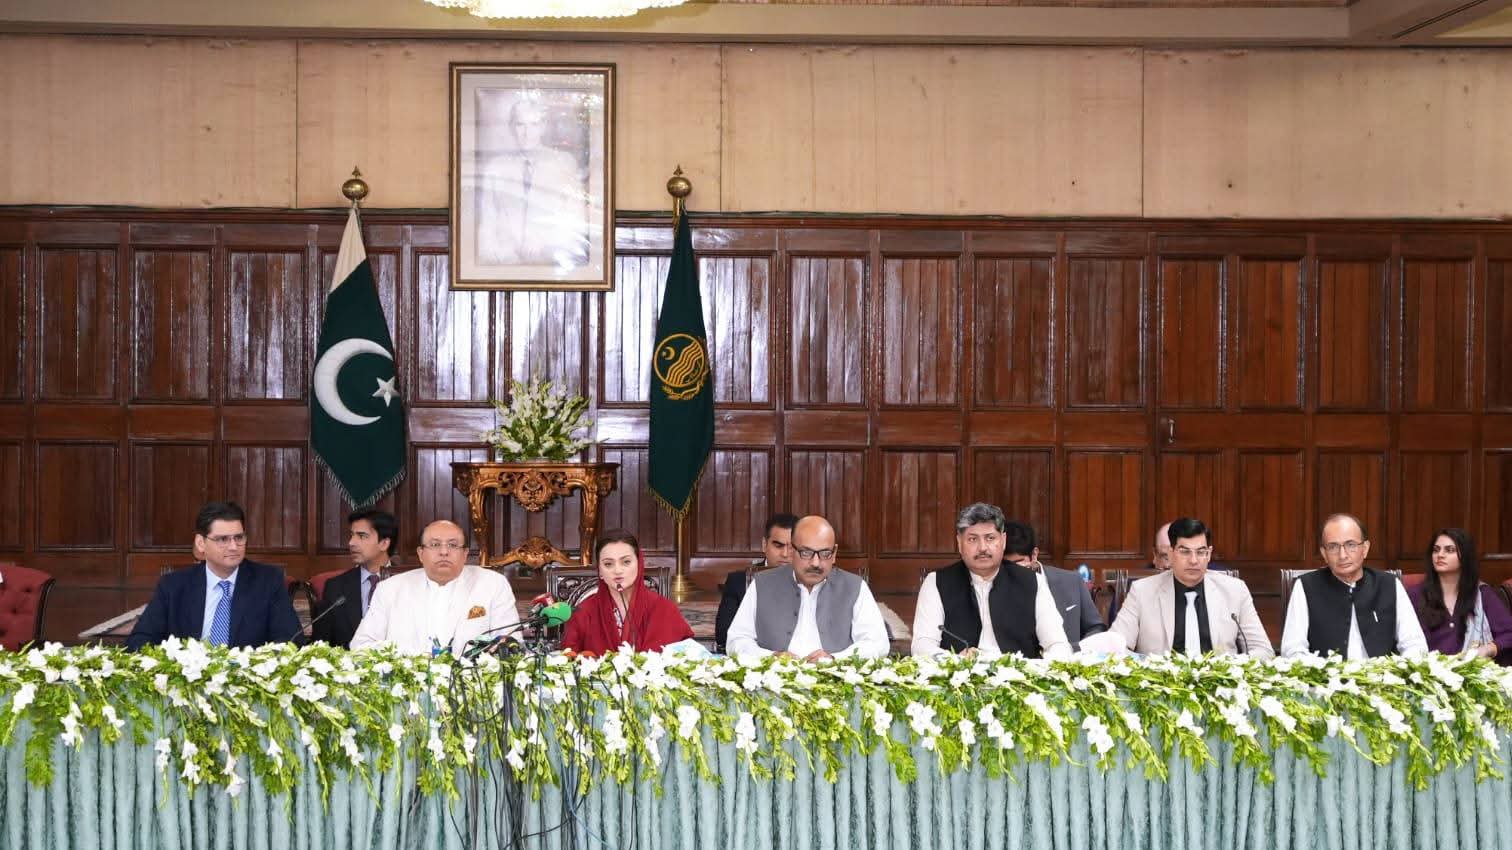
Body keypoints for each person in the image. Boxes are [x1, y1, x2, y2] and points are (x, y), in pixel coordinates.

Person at [127, 501, 302, 650]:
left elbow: (291, 641)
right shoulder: (173, 586)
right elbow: (140, 640)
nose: (233, 547)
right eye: (223, 539)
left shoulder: (268, 581)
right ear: (201, 543)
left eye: (239, 538)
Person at [911, 503, 1071, 659]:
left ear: (1003, 540)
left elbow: (1057, 643)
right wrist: (955, 661)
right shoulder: (936, 583)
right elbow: (922, 645)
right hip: (958, 674)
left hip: (1019, 674)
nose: (982, 548)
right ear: (959, 543)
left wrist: (1043, 668)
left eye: (990, 538)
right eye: (972, 539)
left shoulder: (1032, 582)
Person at [725, 515, 889, 660]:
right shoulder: (762, 584)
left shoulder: (854, 586)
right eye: (806, 553)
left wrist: (835, 659)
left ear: (834, 553)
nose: (815, 563)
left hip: (835, 679)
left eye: (825, 553)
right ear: (792, 551)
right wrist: (771, 657)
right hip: (773, 678)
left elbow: (877, 643)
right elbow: (736, 640)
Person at [1107, 518, 1274, 657]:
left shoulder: (1235, 591)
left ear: (1209, 554)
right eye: (1185, 552)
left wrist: (1232, 667)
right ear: (1171, 554)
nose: (1194, 560)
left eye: (1201, 552)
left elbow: (1263, 650)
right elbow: (1114, 648)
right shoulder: (1142, 592)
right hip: (1161, 683)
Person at [351, 520, 519, 655]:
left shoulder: (493, 584)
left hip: (471, 683)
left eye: (453, 545)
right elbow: (361, 645)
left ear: (465, 554)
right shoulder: (389, 589)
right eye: (435, 544)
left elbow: (511, 644)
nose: (444, 552)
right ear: (420, 553)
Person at [1280, 513, 1428, 658]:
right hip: (1325, 674)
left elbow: (1414, 644)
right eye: (1333, 547)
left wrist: (1395, 671)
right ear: (1324, 553)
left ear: (1365, 549)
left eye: (1350, 545)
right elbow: (1292, 649)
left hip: (1382, 673)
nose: (1342, 555)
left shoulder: (1389, 585)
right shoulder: (1306, 586)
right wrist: (1321, 671)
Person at [474, 95, 590, 271]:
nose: (527, 134)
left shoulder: (564, 163)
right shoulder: (495, 168)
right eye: (520, 125)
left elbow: (576, 219)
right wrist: (498, 258)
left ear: (543, 127)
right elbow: (486, 225)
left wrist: (544, 240)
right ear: (512, 127)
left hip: (552, 263)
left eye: (534, 125)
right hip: (505, 264)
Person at [560, 530, 694, 654]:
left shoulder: (664, 608)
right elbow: (568, 660)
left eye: (626, 562)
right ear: (600, 571)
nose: (617, 570)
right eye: (608, 564)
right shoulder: (584, 612)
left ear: (639, 564)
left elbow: (685, 658)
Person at [1408, 528, 1511, 664]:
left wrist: (1489, 649)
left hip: (1472, 670)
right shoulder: (1415, 595)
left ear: (1465, 556)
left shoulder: (1482, 594)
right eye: (1436, 550)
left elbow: (1508, 633)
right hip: (1428, 672)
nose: (1440, 555)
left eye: (1450, 550)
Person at [1000, 520, 1105, 650]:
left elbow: (1096, 628)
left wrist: (1074, 650)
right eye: (1006, 565)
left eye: (1018, 563)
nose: (1012, 571)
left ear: (1034, 555)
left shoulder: (1072, 581)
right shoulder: (992, 588)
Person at [312, 508, 398, 649]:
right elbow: (321, 646)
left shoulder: (409, 583)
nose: (351, 542)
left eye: (362, 536)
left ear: (384, 543)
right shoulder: (335, 587)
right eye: (351, 535)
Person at [714, 512, 797, 653]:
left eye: (792, 547)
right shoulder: (739, 581)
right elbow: (724, 635)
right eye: (778, 545)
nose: (785, 554)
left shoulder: (810, 581)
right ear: (765, 545)